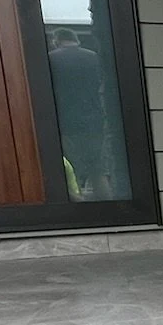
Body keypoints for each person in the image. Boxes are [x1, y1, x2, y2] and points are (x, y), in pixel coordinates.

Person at [47, 27, 108, 197]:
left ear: (56, 41)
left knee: (71, 172)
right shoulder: (93, 57)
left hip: (66, 124)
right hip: (94, 123)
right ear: (77, 40)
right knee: (98, 170)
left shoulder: (51, 59)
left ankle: (80, 211)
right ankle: (109, 207)